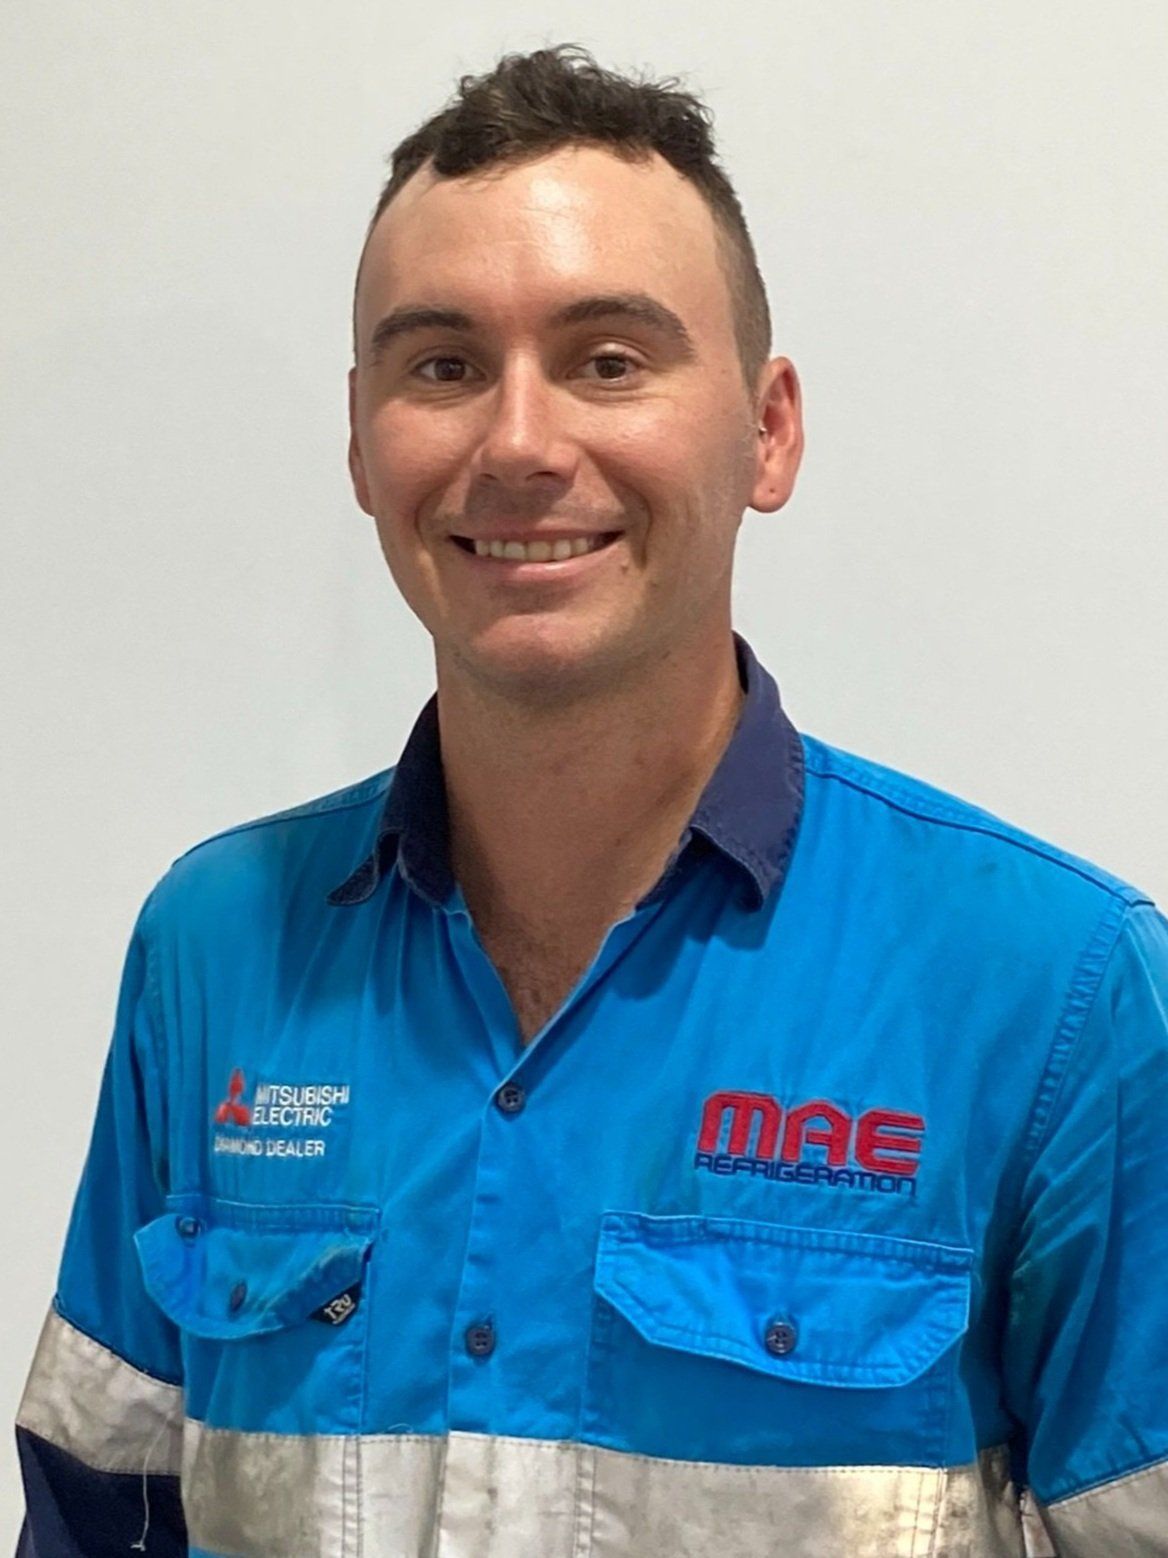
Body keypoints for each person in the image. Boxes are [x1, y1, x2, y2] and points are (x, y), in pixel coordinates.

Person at [14, 42, 1168, 1558]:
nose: (518, 443)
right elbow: (97, 1520)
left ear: (768, 430)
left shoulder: (1058, 996)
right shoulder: (213, 950)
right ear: (362, 442)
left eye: (609, 359)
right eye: (442, 366)